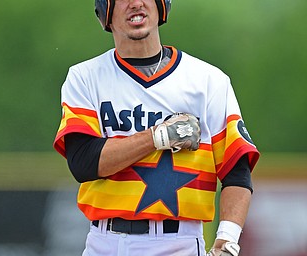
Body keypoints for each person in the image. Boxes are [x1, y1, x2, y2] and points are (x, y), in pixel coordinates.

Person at [53, 0, 260, 255]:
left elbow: (237, 173)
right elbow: (83, 162)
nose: (136, 4)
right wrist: (158, 136)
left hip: (179, 243)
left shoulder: (208, 81)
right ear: (105, 11)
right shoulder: (85, 77)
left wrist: (227, 240)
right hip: (107, 243)